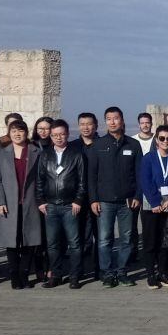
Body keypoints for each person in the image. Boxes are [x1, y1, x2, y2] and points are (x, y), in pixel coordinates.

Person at [88, 107, 142, 288]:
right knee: (104, 239)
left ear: (122, 120)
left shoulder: (132, 145)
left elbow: (139, 173)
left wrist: (137, 195)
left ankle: (122, 271)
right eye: (109, 119)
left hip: (127, 201)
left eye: (115, 118)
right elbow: (92, 175)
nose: (112, 122)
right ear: (105, 122)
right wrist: (93, 199)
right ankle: (108, 272)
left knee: (126, 238)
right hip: (104, 200)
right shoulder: (98, 145)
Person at [0, 120, 43, 289]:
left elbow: (42, 179)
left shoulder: (36, 151)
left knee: (30, 240)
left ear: (26, 133)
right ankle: (14, 275)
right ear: (9, 133)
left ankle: (24, 274)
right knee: (11, 240)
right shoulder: (2, 153)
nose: (17, 134)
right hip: (9, 204)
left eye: (20, 131)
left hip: (31, 202)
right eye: (13, 131)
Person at [36, 119, 86, 289]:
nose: (59, 138)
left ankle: (74, 276)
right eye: (55, 135)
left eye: (62, 134)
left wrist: (78, 200)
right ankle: (55, 275)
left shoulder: (76, 154)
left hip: (69, 205)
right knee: (52, 243)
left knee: (74, 243)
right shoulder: (45, 155)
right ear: (51, 136)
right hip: (50, 205)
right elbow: (39, 180)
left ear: (67, 134)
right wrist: (41, 201)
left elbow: (82, 181)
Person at [139, 124, 168, 289]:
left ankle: (164, 273)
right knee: (150, 241)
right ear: (156, 140)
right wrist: (156, 203)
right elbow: (145, 181)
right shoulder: (148, 158)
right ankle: (150, 274)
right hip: (151, 205)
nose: (165, 141)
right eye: (162, 138)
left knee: (165, 241)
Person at [71, 112, 101, 280]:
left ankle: (99, 268)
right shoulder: (73, 146)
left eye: (89, 124)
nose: (86, 127)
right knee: (80, 235)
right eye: (82, 124)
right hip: (79, 198)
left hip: (98, 196)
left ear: (95, 125)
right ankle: (79, 268)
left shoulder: (103, 144)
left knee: (100, 235)